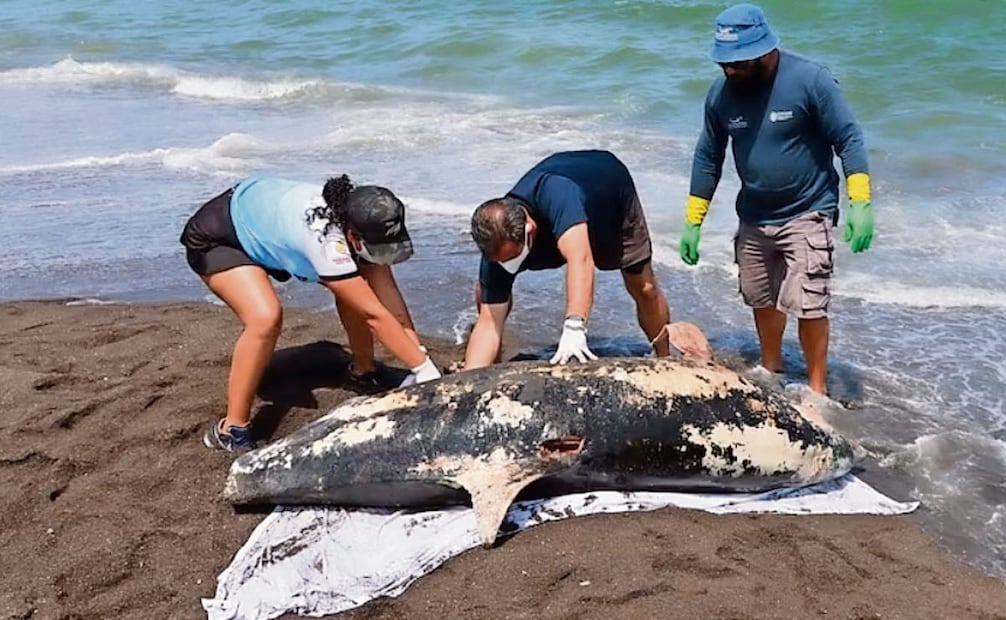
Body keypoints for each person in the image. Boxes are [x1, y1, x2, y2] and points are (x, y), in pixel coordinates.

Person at [680, 3, 874, 395]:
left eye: (739, 63)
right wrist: (693, 220)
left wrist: (860, 201)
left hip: (808, 209)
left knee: (809, 302)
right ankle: (773, 368)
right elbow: (708, 156)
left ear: (764, 51)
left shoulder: (810, 80)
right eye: (725, 62)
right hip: (753, 214)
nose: (730, 70)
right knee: (760, 296)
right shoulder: (720, 95)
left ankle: (818, 390)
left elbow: (848, 138)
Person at [180, 174, 441, 452]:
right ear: (352, 236)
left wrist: (419, 357)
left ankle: (363, 372)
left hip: (265, 217)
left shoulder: (363, 222)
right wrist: (424, 370)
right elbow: (373, 315)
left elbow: (389, 302)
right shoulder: (325, 240)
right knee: (265, 318)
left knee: (359, 286)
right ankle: (232, 429)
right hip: (221, 236)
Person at [463, 149, 680, 370]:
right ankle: (491, 363)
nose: (505, 264)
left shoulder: (556, 195)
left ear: (530, 229)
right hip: (566, 196)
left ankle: (665, 359)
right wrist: (469, 380)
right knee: (489, 294)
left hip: (609, 194)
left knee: (643, 286)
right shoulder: (496, 240)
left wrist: (574, 326)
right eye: (500, 260)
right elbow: (489, 322)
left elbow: (581, 260)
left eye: (512, 257)